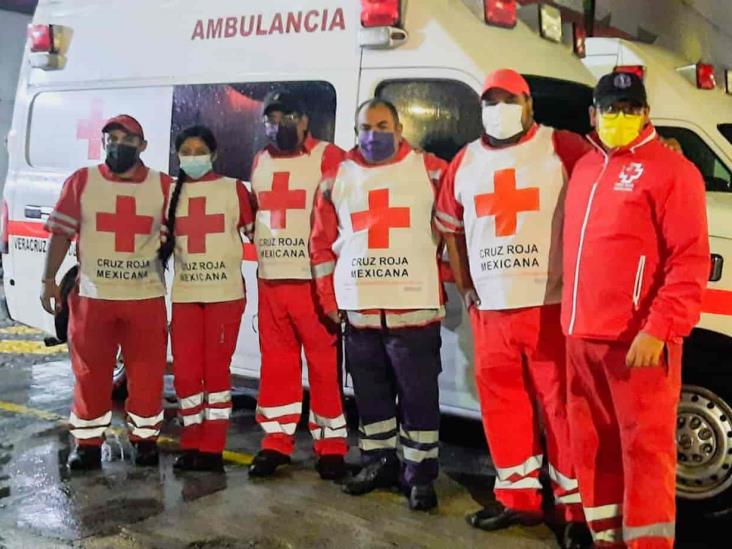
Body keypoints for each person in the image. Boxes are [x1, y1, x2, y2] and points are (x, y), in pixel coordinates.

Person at [435, 69, 590, 539]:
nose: (499, 108)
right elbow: (450, 228)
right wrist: (464, 286)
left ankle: (575, 508)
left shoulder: (562, 146)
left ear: (529, 105)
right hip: (491, 310)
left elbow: (609, 177)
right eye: (491, 100)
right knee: (503, 407)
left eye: (510, 99)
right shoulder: (465, 161)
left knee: (562, 409)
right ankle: (519, 497)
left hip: (551, 305)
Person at [561, 71, 709, 549]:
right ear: (593, 114)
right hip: (581, 338)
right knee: (594, 446)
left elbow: (689, 261)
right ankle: (606, 537)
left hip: (636, 343)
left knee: (645, 454)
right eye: (610, 108)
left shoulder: (673, 171)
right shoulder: (584, 166)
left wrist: (660, 329)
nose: (619, 117)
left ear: (646, 114)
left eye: (630, 108)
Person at [310, 98, 447, 511]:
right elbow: (320, 244)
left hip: (414, 310)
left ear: (400, 127)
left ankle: (420, 475)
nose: (374, 135)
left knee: (419, 397)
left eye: (383, 125)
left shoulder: (432, 169)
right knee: (371, 397)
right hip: (361, 311)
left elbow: (455, 227)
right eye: (365, 127)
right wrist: (328, 299)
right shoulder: (336, 178)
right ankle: (379, 463)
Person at [41, 115, 171, 470]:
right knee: (90, 373)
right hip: (92, 298)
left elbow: (179, 237)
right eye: (110, 138)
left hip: (144, 298)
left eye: (127, 139)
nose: (117, 144)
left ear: (143, 146)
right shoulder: (83, 181)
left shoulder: (164, 186)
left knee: (146, 374)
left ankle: (145, 441)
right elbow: (61, 234)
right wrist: (48, 279)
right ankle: (87, 444)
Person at [248, 90, 348, 480]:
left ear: (305, 120)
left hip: (312, 282)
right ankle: (275, 442)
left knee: (324, 367)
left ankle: (331, 446)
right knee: (276, 367)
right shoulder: (260, 160)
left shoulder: (328, 156)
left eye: (287, 116)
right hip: (272, 281)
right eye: (271, 119)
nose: (279, 125)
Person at [158, 126, 255, 473]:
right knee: (185, 376)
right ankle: (191, 442)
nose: (193, 156)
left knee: (216, 374)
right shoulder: (170, 193)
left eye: (200, 150)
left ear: (213, 154)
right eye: (186, 150)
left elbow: (259, 234)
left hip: (225, 295)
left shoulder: (234, 190)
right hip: (186, 295)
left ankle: (212, 447)